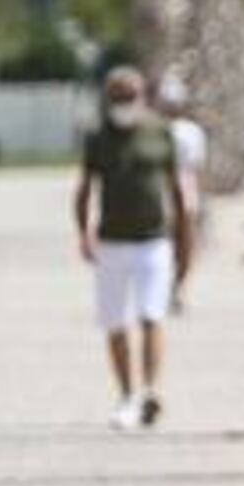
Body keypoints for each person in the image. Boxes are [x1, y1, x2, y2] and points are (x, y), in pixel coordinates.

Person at [74, 65, 190, 430]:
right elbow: (85, 188)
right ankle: (127, 394)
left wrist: (185, 238)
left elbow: (176, 189)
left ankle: (150, 390)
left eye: (129, 97)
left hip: (154, 241)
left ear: (143, 98)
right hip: (111, 242)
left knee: (152, 315)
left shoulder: (160, 133)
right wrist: (83, 233)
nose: (123, 104)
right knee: (115, 322)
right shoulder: (98, 137)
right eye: (117, 97)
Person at [155, 70, 208, 312]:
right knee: (179, 245)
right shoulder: (157, 130)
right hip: (172, 193)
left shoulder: (188, 130)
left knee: (181, 245)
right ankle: (172, 288)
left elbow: (195, 169)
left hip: (180, 192)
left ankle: (174, 288)